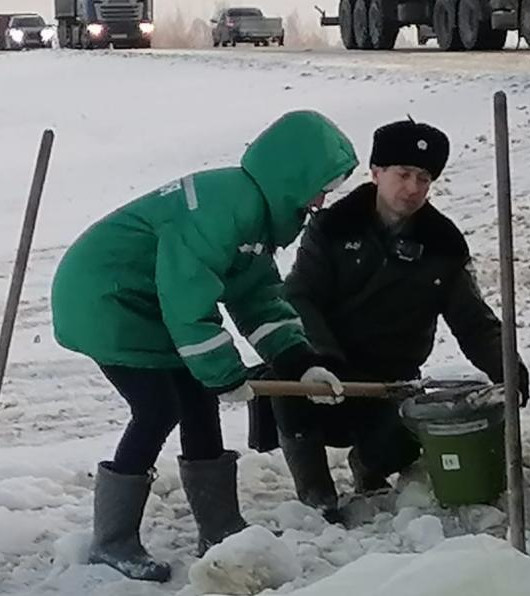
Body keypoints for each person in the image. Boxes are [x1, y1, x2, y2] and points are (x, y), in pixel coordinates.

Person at [49, 110, 357, 582]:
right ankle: (111, 542)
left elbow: (257, 299)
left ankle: (220, 530)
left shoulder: (252, 214)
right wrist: (225, 373)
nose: (319, 202)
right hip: (105, 300)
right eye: (319, 187)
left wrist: (301, 362)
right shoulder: (221, 208)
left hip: (147, 301)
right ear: (291, 175)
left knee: (197, 401)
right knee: (158, 408)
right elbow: (187, 297)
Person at [251, 118, 530, 522]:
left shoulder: (443, 243)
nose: (413, 188)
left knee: (399, 443)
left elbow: (473, 320)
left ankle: (369, 464)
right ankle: (315, 492)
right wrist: (322, 359)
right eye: (402, 174)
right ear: (376, 172)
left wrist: (507, 367)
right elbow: (299, 297)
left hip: (389, 379)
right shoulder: (332, 226)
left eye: (423, 178)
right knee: (286, 377)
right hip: (328, 369)